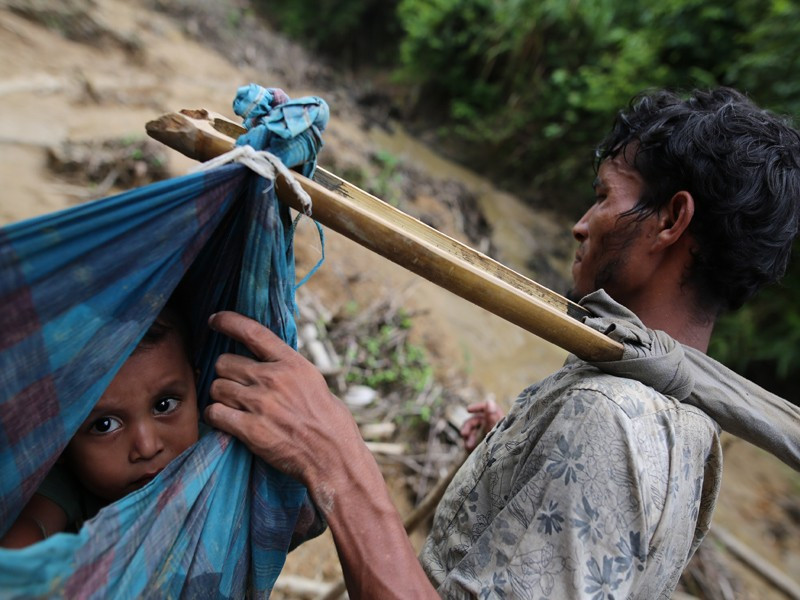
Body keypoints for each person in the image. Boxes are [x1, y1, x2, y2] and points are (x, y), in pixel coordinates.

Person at [202, 87, 800, 598]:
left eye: (604, 196)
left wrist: (333, 455)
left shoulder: (610, 418)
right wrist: (514, 467)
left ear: (670, 220)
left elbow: (607, 448)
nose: (581, 224)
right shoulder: (692, 426)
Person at [1, 306, 200, 548]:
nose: (147, 447)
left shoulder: (222, 449)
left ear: (196, 390)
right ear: (59, 442)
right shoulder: (70, 481)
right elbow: (30, 529)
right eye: (104, 425)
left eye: (164, 405)